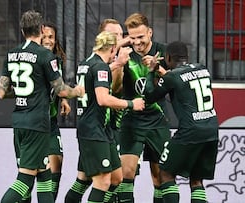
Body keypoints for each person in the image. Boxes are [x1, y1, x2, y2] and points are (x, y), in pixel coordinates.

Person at [0, 10, 84, 203]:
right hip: (37, 124)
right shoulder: (45, 56)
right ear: (41, 30)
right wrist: (77, 91)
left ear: (22, 30)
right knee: (25, 180)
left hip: (19, 121)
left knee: (44, 175)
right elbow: (61, 90)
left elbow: (2, 92)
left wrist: (28, 91)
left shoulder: (11, 54)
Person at [65, 31, 145, 203]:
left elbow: (97, 75)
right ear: (111, 48)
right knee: (102, 182)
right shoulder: (100, 66)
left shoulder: (86, 63)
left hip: (99, 130)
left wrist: (116, 64)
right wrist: (131, 104)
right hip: (94, 131)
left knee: (116, 178)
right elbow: (103, 99)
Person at [144, 41, 219, 203]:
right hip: (212, 129)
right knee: (197, 179)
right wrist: (161, 70)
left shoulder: (172, 76)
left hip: (190, 131)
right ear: (187, 56)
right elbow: (183, 82)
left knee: (165, 173)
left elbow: (149, 97)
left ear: (168, 57)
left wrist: (151, 72)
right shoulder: (202, 69)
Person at [115, 12, 171, 203]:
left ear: (150, 33)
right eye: (133, 38)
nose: (137, 42)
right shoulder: (124, 53)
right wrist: (119, 63)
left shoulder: (162, 51)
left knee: (160, 176)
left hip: (157, 120)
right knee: (126, 173)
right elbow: (115, 89)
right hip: (131, 121)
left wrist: (158, 70)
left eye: (141, 37)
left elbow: (176, 83)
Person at [41, 21, 71, 201]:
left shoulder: (57, 61)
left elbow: (57, 85)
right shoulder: (35, 59)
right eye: (43, 37)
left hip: (51, 123)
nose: (47, 40)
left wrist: (64, 100)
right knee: (31, 173)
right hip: (34, 124)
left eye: (51, 37)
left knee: (57, 164)